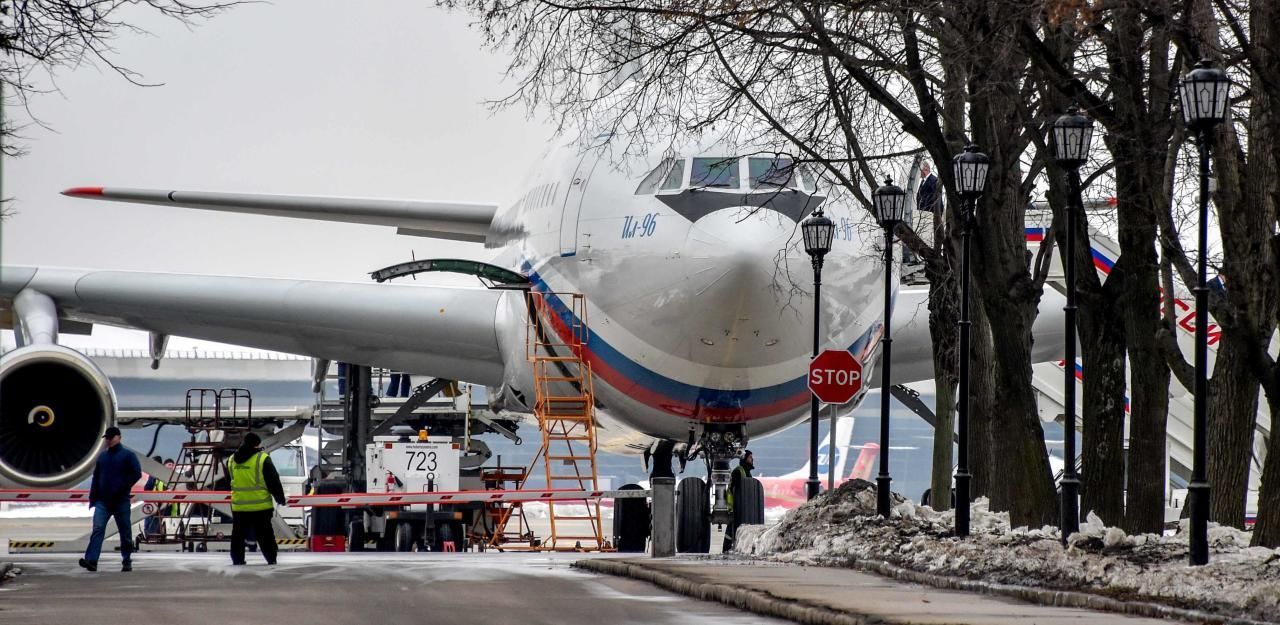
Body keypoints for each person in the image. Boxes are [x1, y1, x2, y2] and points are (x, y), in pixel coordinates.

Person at [80, 426, 142, 572]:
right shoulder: (102, 456)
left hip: (120, 501)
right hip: (103, 501)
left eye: (110, 437)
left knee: (125, 532)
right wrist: (93, 497)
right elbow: (96, 477)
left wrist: (123, 487)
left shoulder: (128, 455)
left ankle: (126, 560)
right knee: (98, 529)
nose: (108, 440)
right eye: (107, 438)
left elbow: (136, 473)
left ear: (118, 437)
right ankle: (92, 560)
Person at [228, 432, 286, 565]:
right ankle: (271, 559)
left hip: (239, 505)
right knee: (265, 534)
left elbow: (230, 480)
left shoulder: (231, 460)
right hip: (261, 506)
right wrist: (280, 498)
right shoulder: (262, 459)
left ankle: (237, 559)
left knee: (238, 534)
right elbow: (273, 481)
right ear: (257, 444)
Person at [722, 449, 755, 552]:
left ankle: (737, 549)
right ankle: (726, 550)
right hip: (737, 507)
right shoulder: (738, 471)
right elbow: (731, 491)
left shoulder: (747, 472)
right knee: (732, 530)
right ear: (745, 458)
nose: (752, 459)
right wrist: (731, 507)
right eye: (750, 457)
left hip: (744, 507)